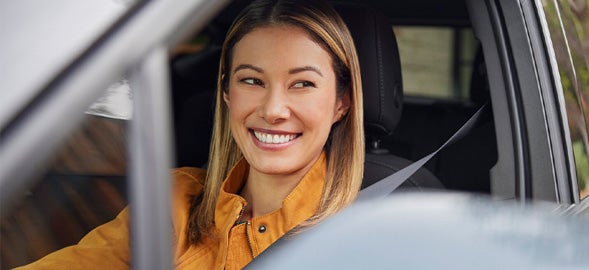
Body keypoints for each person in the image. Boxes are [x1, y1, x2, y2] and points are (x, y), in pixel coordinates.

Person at [19, 0, 364, 268]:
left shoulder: (368, 230)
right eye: (252, 81)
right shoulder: (175, 200)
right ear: (227, 92)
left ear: (341, 103)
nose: (273, 109)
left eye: (302, 84)